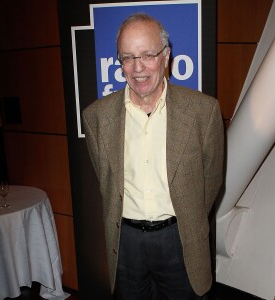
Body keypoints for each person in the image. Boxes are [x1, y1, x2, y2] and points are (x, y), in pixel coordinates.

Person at [83, 12, 224, 300]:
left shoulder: (203, 111)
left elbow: (210, 181)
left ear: (166, 55)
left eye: (148, 54)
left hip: (180, 238)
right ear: (119, 62)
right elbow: (106, 180)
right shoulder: (96, 116)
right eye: (127, 57)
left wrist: (186, 215)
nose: (138, 68)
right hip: (126, 243)